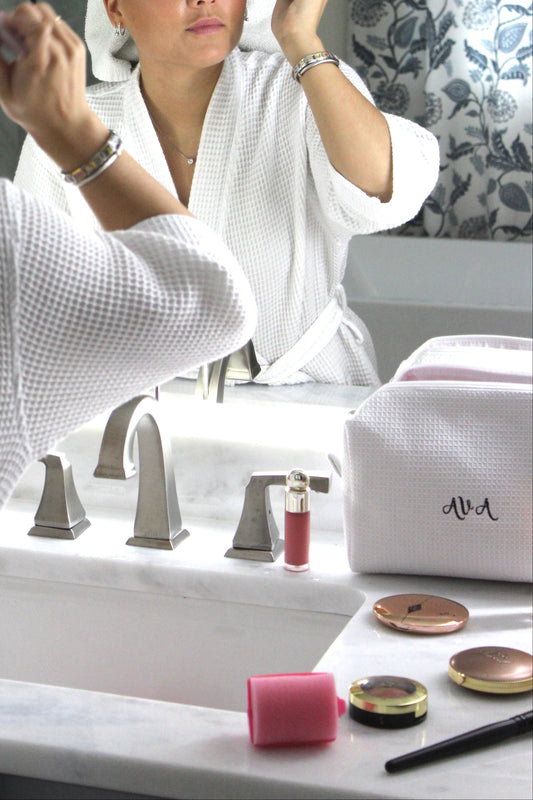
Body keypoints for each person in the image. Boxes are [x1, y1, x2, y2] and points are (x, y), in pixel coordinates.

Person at [14, 0, 440, 386]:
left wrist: (300, 40)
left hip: (313, 394)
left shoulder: (303, 88)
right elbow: (34, 303)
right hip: (148, 405)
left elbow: (383, 192)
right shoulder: (73, 129)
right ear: (115, 9)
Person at [0, 2, 257, 510]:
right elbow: (214, 302)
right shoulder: (16, 225)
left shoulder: (288, 95)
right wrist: (71, 130)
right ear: (115, 9)